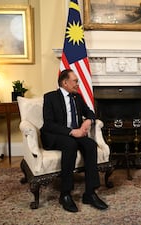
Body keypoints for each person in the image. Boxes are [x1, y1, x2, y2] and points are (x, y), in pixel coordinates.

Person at [40, 69, 108, 213]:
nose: (78, 84)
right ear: (65, 82)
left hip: (75, 133)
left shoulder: (76, 97)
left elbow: (90, 112)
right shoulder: (50, 97)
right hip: (55, 135)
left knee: (90, 145)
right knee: (70, 144)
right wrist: (71, 131)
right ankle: (65, 194)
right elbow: (48, 124)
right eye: (75, 81)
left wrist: (87, 121)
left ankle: (90, 193)